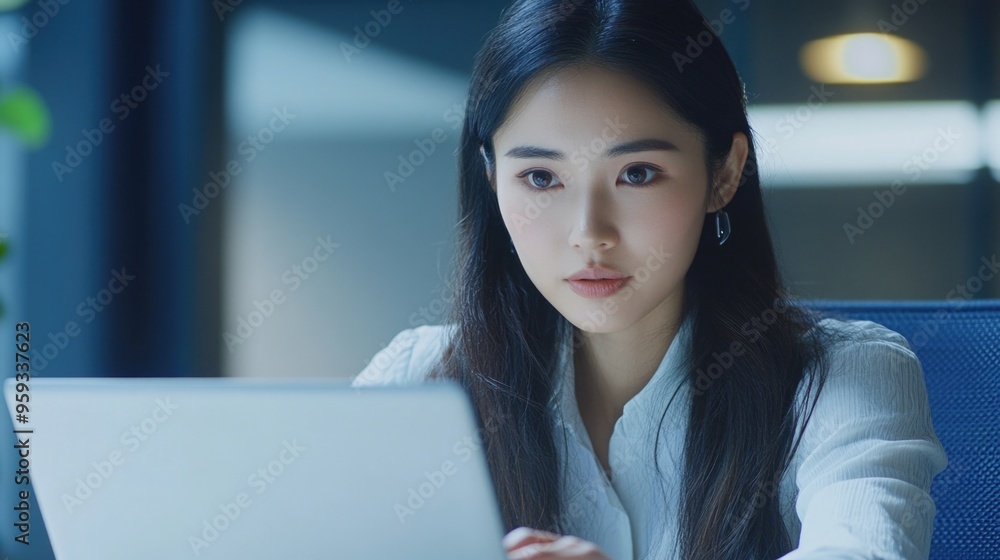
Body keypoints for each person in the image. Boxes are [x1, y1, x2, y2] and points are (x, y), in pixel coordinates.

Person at [352, 0, 948, 558]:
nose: (590, 232)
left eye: (637, 173)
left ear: (724, 173)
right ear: (491, 180)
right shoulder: (418, 381)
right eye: (539, 178)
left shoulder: (840, 378)